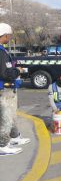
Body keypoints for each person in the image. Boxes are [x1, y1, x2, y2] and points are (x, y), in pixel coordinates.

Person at [0, 23, 30, 156]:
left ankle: (14, 137)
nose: (10, 38)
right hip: (4, 90)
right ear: (4, 35)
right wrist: (17, 71)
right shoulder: (1, 52)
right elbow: (5, 73)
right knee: (6, 118)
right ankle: (2, 146)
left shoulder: (3, 50)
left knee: (12, 116)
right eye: (9, 35)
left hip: (8, 89)